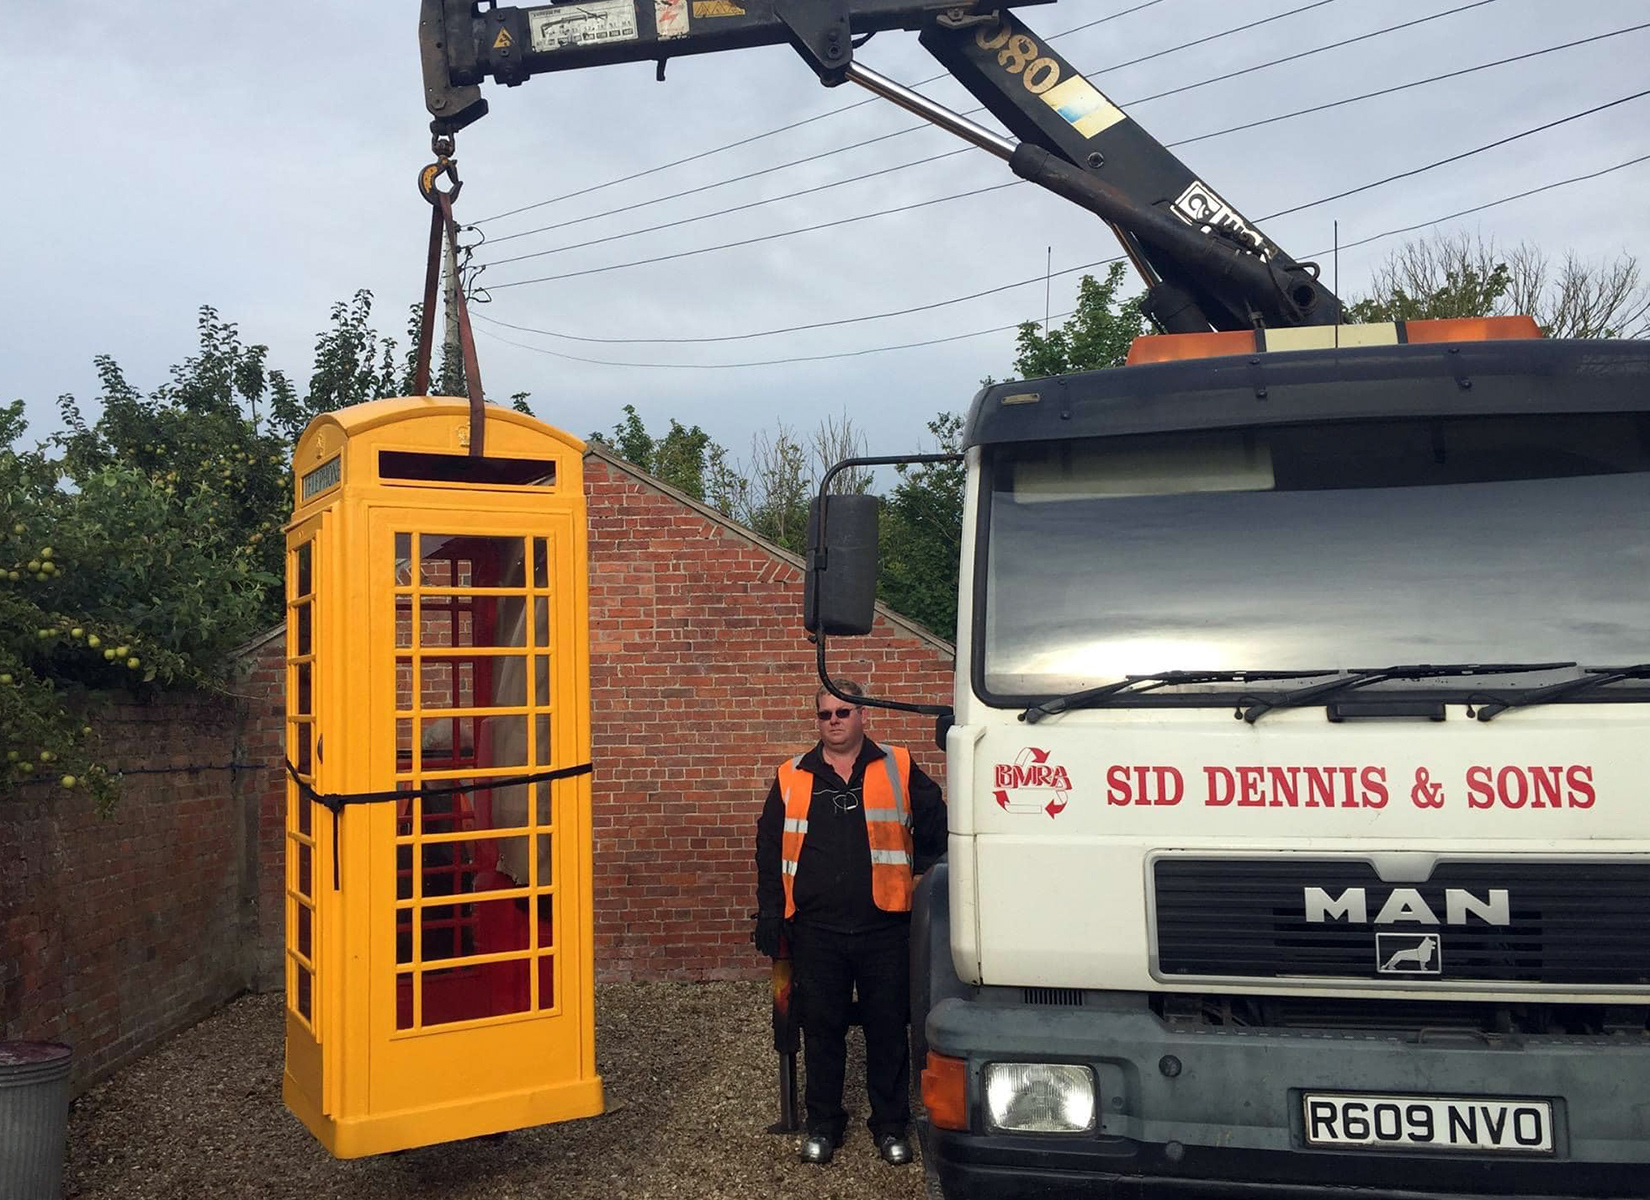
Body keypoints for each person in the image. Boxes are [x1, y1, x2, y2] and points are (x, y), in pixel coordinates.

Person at [753, 680, 947, 1167]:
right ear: (816, 721)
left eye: (844, 712)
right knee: (821, 1030)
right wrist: (772, 914)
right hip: (815, 930)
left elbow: (936, 824)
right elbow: (769, 851)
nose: (835, 721)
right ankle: (823, 1125)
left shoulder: (898, 765)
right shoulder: (792, 775)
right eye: (826, 715)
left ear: (863, 716)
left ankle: (890, 1127)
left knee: (887, 1030)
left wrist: (922, 876)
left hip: (885, 927)